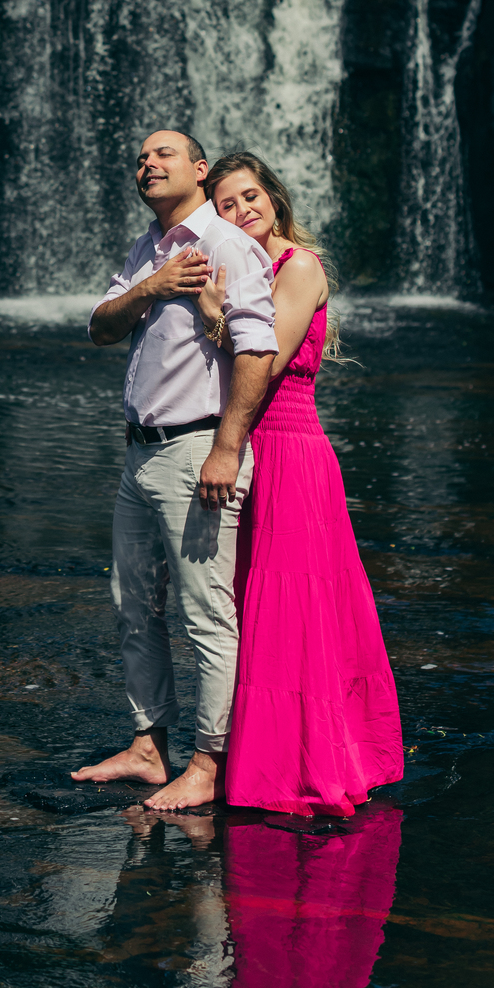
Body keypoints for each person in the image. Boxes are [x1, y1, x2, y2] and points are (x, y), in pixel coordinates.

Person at [71, 129, 279, 812]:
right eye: (139, 157)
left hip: (196, 451)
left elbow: (254, 349)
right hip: (140, 452)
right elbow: (101, 326)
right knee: (134, 605)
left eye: (163, 154)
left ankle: (208, 763)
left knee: (206, 613)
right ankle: (148, 744)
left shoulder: (225, 245)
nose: (147, 164)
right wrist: (152, 288)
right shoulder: (147, 252)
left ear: (198, 169)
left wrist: (227, 447)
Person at [196, 151, 404, 816]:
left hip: (288, 450)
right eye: (227, 204)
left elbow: (269, 358)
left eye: (251, 196)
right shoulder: (241, 267)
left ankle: (297, 762)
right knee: (248, 603)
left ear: (275, 199)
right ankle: (244, 752)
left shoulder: (299, 267)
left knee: (290, 608)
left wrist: (209, 315)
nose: (242, 210)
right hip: (251, 444)